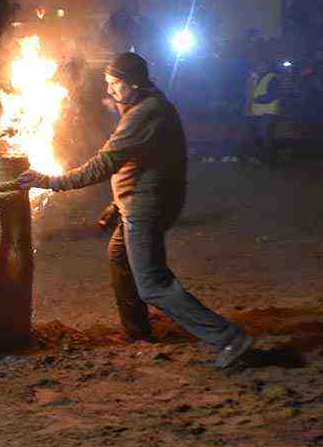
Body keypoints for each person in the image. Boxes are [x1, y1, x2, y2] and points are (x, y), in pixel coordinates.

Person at [16, 52, 254, 369]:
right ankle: (138, 333)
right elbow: (146, 163)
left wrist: (47, 181)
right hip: (139, 201)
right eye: (108, 83)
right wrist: (117, 202)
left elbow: (103, 165)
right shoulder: (145, 107)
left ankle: (230, 338)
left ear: (134, 83)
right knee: (118, 254)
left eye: (115, 83)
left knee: (153, 284)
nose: (110, 90)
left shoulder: (147, 113)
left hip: (148, 207)